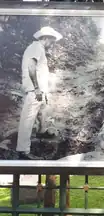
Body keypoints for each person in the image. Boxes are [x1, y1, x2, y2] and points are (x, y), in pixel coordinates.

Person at [16, 26, 63, 160]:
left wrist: (44, 92)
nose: (53, 43)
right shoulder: (36, 47)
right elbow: (31, 66)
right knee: (28, 118)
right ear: (45, 38)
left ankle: (41, 132)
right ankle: (23, 151)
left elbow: (39, 71)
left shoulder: (39, 49)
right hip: (34, 89)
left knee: (42, 110)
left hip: (39, 90)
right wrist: (36, 88)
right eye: (52, 40)